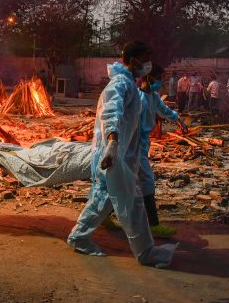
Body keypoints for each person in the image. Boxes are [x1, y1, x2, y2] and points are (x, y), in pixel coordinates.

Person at [67, 40, 179, 269]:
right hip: (113, 154)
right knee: (131, 203)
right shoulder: (120, 84)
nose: (149, 63)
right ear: (133, 59)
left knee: (105, 199)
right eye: (146, 58)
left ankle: (79, 237)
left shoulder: (131, 84)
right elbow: (111, 114)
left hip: (121, 155)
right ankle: (145, 253)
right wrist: (113, 143)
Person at [138, 65, 187, 235]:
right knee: (146, 181)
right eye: (159, 78)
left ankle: (104, 215)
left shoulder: (153, 96)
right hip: (133, 147)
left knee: (126, 182)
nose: (161, 82)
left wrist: (178, 119)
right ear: (149, 78)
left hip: (141, 145)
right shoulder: (139, 99)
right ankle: (153, 225)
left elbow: (164, 110)